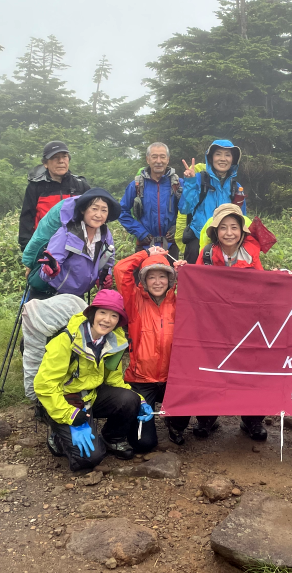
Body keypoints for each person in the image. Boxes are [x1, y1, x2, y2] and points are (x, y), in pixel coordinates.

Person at [34, 289, 152, 471]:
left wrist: (141, 401)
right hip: (65, 401)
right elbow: (44, 385)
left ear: (118, 321)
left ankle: (113, 439)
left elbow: (115, 381)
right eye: (102, 312)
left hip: (91, 397)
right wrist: (70, 415)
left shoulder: (113, 343)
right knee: (89, 459)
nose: (106, 320)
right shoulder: (66, 341)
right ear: (92, 313)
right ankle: (58, 436)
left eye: (114, 316)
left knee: (130, 398)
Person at [193, 203, 267, 440]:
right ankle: (206, 417)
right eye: (223, 227)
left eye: (234, 227)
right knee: (212, 367)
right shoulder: (205, 254)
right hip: (214, 323)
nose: (229, 233)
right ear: (215, 231)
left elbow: (262, 286)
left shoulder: (252, 252)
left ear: (242, 231)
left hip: (247, 322)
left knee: (251, 368)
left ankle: (253, 419)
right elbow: (196, 286)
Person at [113, 245, 193, 448]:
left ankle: (175, 424)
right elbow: (121, 269)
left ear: (170, 279)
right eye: (151, 277)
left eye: (163, 276)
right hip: (141, 380)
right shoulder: (133, 301)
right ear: (144, 280)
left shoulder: (180, 302)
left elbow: (202, 295)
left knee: (190, 395)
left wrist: (187, 274)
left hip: (173, 378)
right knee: (143, 444)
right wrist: (147, 254)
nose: (157, 282)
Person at [21, 188, 119, 299]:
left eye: (104, 210)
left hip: (78, 296)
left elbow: (108, 260)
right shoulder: (67, 233)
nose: (98, 215)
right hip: (52, 295)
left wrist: (105, 275)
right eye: (94, 209)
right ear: (83, 210)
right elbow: (48, 267)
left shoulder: (105, 235)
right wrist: (50, 270)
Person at [179, 140, 246, 264]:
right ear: (210, 158)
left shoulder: (236, 187)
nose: (222, 159)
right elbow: (185, 208)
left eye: (227, 155)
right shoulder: (198, 179)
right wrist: (190, 182)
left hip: (226, 246)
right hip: (197, 242)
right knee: (195, 281)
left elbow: (243, 219)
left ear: (233, 160)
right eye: (218, 154)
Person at [18, 141, 90, 251]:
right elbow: (26, 219)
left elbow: (92, 214)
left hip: (76, 246)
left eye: (64, 157)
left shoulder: (80, 185)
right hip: (45, 247)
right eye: (55, 157)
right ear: (45, 163)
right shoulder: (36, 187)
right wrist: (27, 249)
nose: (61, 161)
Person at [118, 142, 182, 257]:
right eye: (154, 157)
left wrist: (178, 228)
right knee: (142, 275)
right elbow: (122, 211)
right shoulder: (136, 185)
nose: (158, 161)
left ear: (168, 159)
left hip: (171, 246)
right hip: (144, 245)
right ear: (148, 159)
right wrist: (139, 232)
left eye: (162, 157)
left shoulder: (178, 184)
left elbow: (190, 210)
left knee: (171, 275)